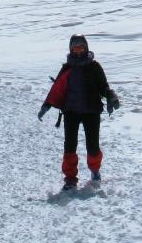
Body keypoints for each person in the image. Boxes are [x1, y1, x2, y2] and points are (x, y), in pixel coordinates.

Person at [38, 34, 120, 190]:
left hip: (91, 111)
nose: (78, 51)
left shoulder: (94, 66)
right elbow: (57, 90)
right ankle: (70, 179)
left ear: (86, 48)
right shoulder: (67, 67)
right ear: (71, 49)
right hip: (71, 112)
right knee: (69, 146)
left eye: (81, 47)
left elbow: (104, 87)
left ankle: (95, 171)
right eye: (75, 48)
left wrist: (111, 97)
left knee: (93, 146)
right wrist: (46, 106)